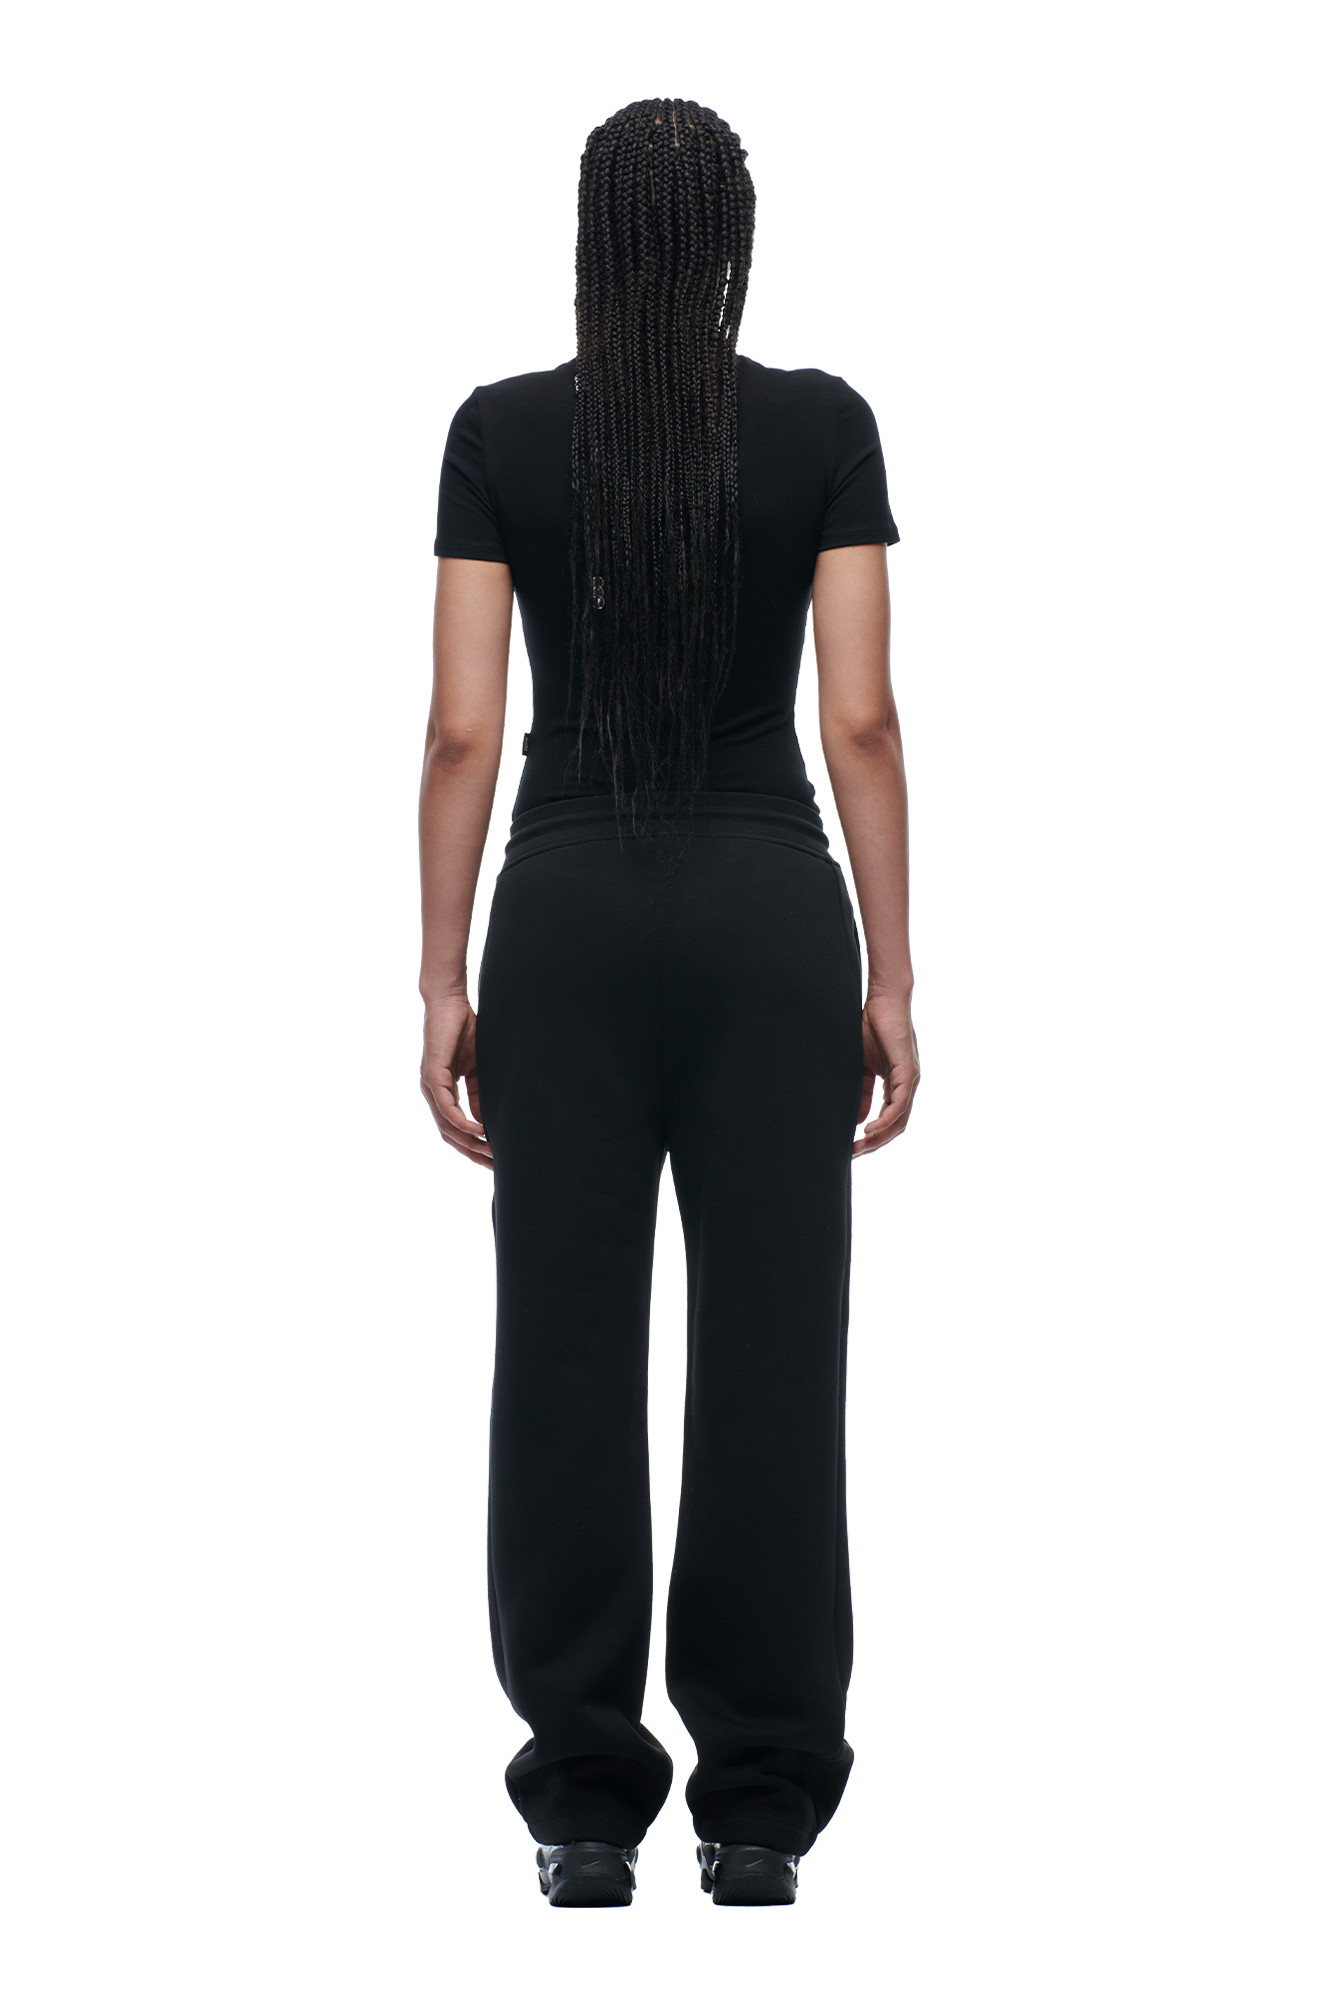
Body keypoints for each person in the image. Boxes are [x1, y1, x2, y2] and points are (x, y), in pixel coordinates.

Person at [419, 98, 919, 1908]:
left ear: (591, 234)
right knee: (774, 1349)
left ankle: (581, 1802)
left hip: (562, 917)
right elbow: (856, 718)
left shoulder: (499, 434)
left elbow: (463, 729)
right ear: (733, 242)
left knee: (559, 1347)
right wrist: (894, 976)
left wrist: (439, 979)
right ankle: (762, 1804)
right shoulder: (824, 424)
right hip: (770, 917)